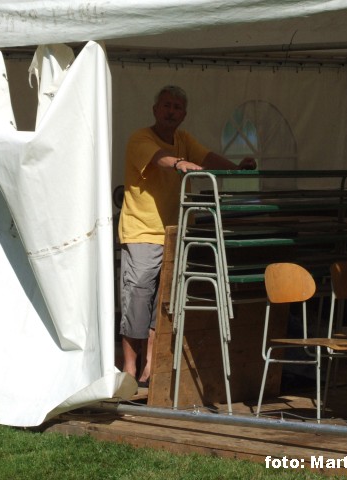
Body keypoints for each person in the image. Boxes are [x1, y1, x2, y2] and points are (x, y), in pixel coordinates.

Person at [118, 85, 256, 387]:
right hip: (142, 231)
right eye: (166, 105)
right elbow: (159, 158)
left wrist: (237, 170)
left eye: (177, 107)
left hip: (176, 232)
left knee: (163, 301)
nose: (171, 111)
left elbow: (208, 157)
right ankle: (128, 368)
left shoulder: (184, 139)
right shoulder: (141, 138)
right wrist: (179, 163)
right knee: (137, 298)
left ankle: (150, 366)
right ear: (155, 110)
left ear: (184, 115)